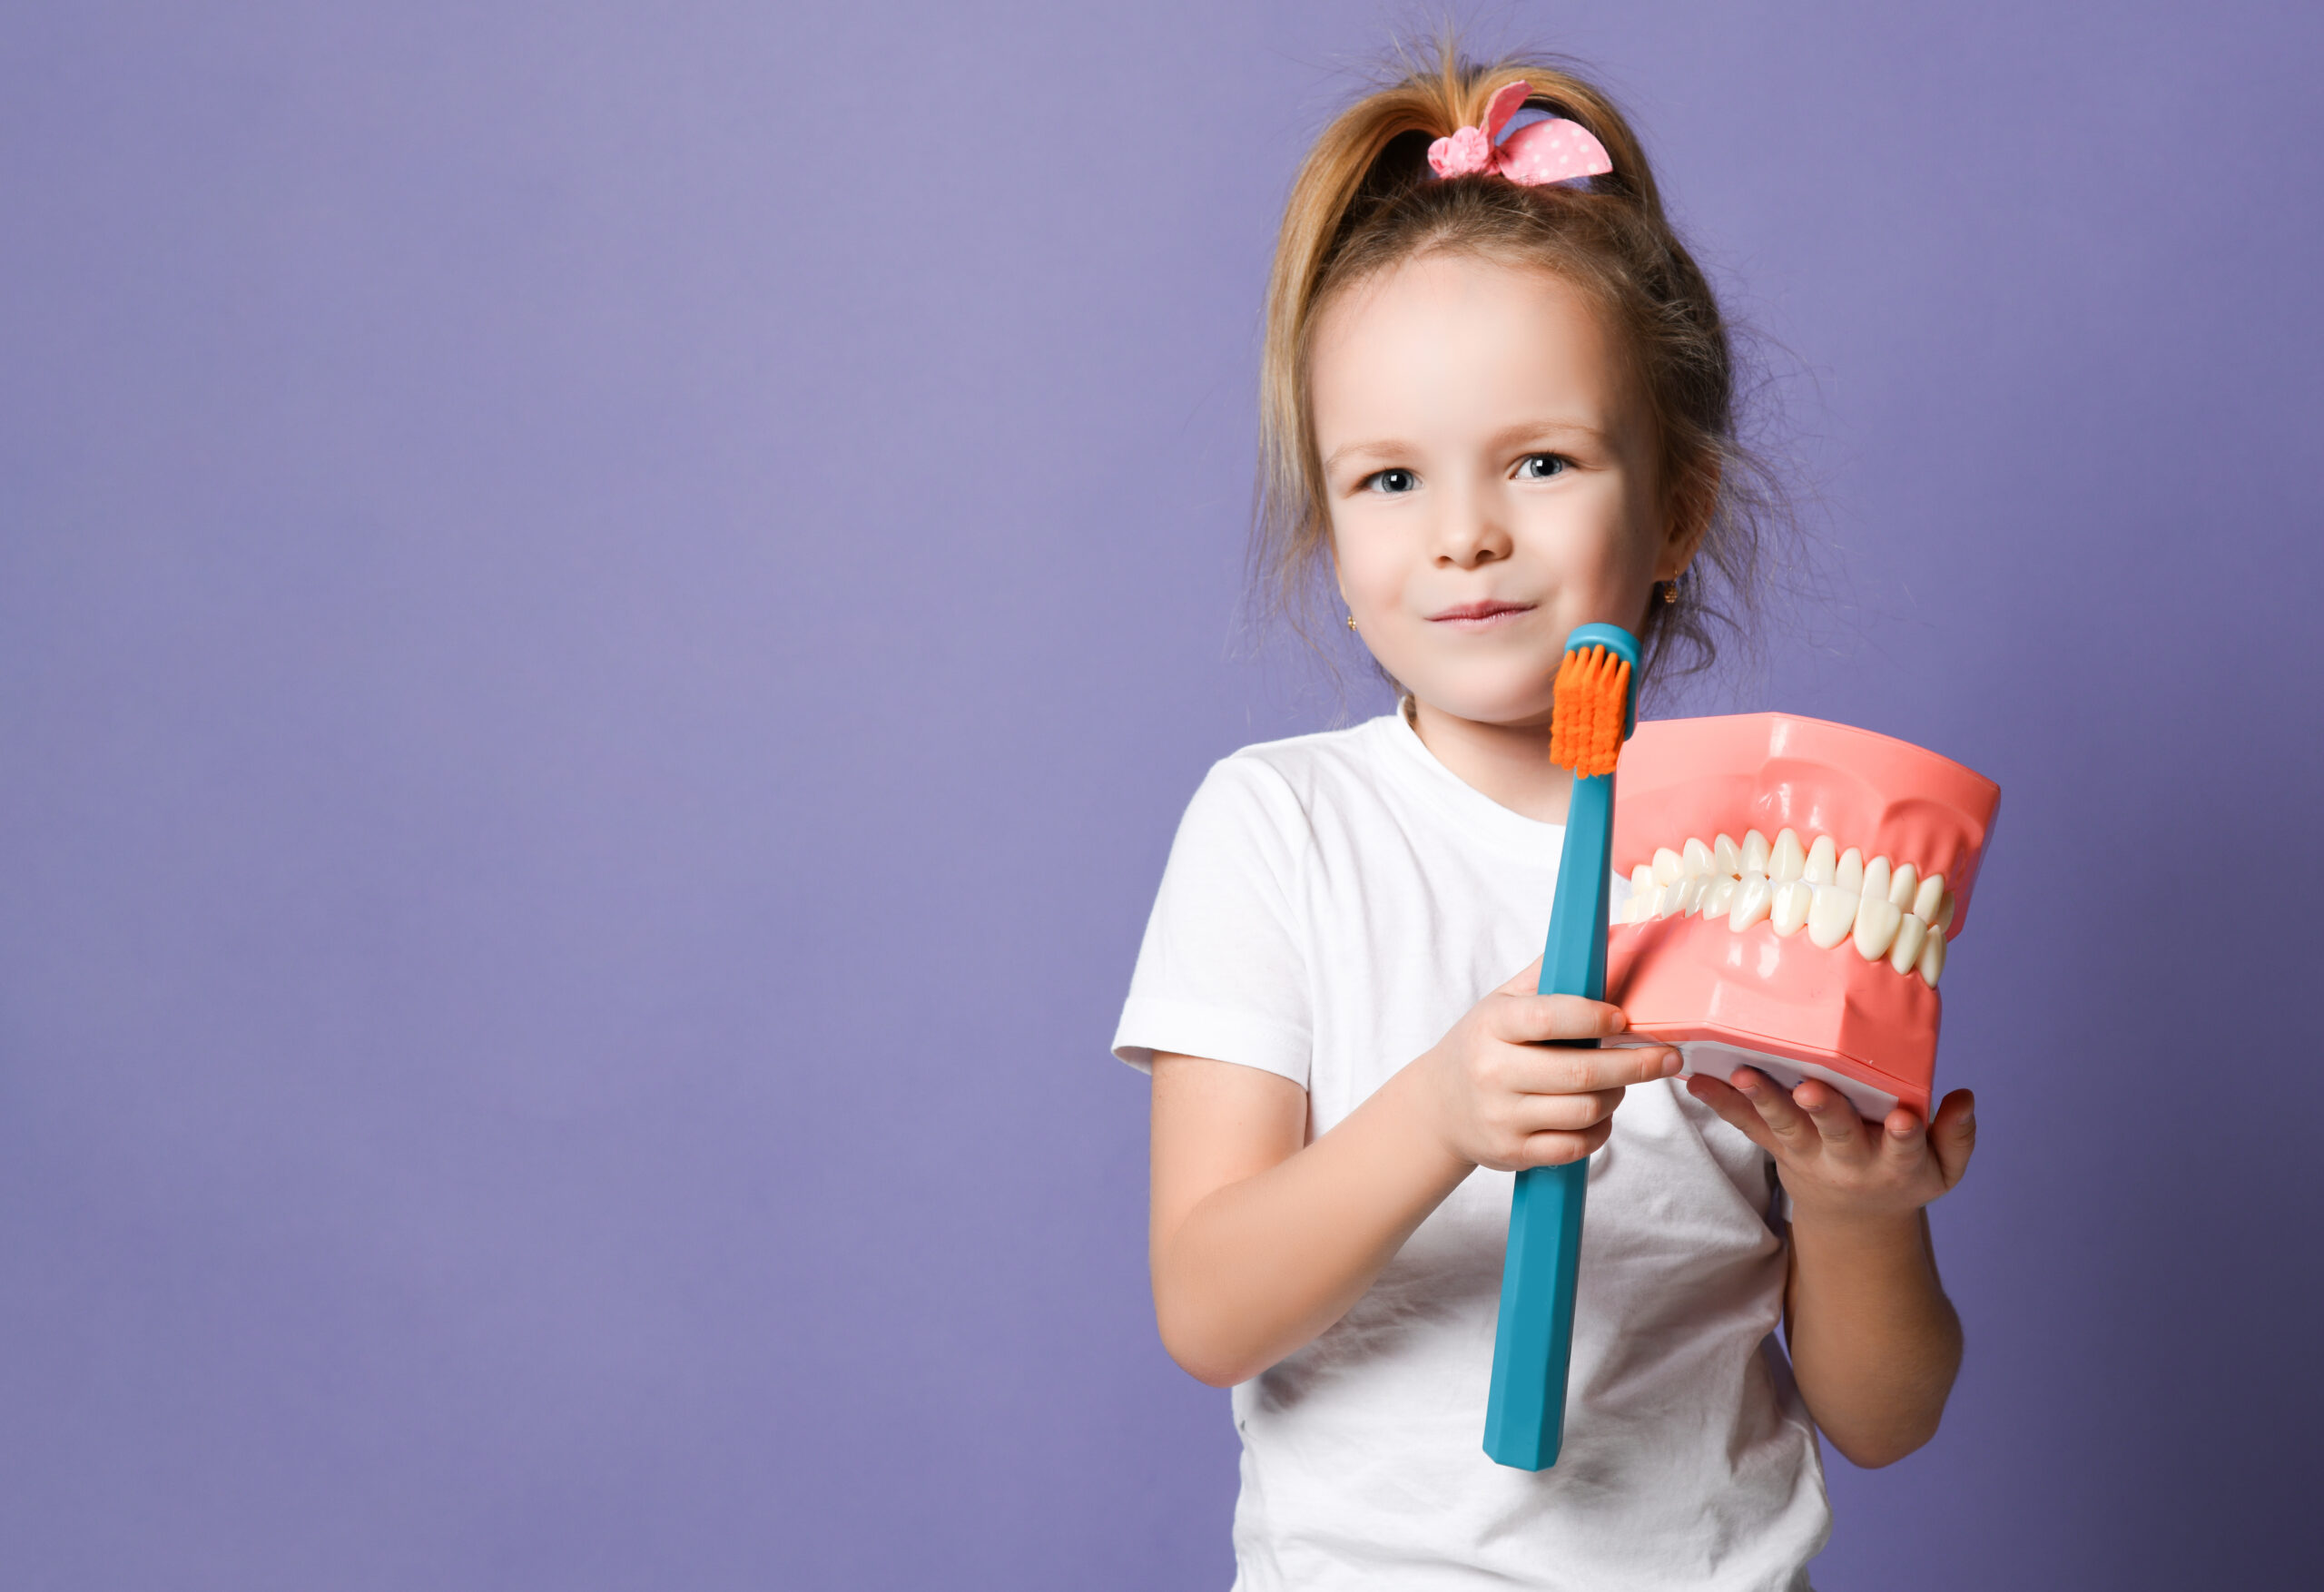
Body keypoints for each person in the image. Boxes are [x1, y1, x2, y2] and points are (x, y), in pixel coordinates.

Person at [1111, 44, 1978, 1591]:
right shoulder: (1281, 830)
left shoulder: (1769, 864)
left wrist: (1857, 1220)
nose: (1464, 536)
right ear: (1327, 521)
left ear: (1679, 508)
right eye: (1387, 478)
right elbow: (1207, 1303)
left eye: (1541, 460)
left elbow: (1885, 1415)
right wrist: (1438, 1114)